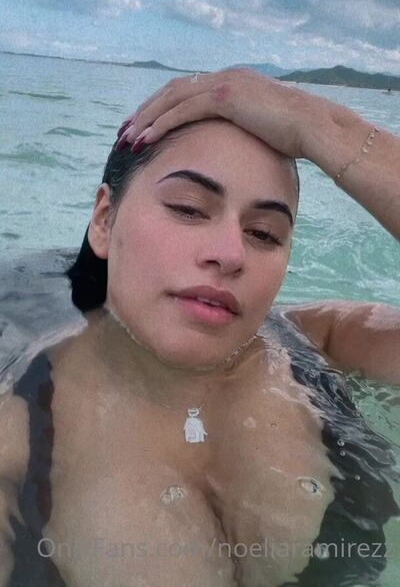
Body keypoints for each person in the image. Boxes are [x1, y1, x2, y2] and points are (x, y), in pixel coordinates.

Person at [0, 68, 399, 587]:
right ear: (103, 220)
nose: (230, 254)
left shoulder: (320, 339)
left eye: (264, 233)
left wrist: (314, 124)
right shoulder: (19, 435)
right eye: (188, 209)